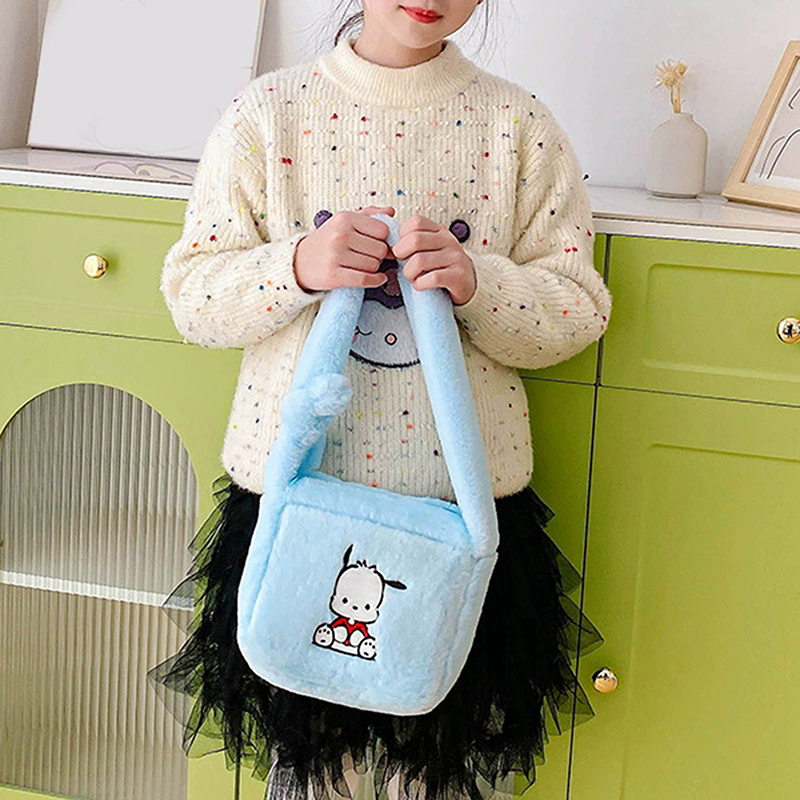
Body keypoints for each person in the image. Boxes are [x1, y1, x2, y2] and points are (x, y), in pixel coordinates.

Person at [148, 2, 612, 800]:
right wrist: (297, 264)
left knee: (441, 770)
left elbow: (577, 307)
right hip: (297, 508)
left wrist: (477, 281)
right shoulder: (269, 114)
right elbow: (194, 295)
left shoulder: (519, 127)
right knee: (307, 767)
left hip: (457, 519)